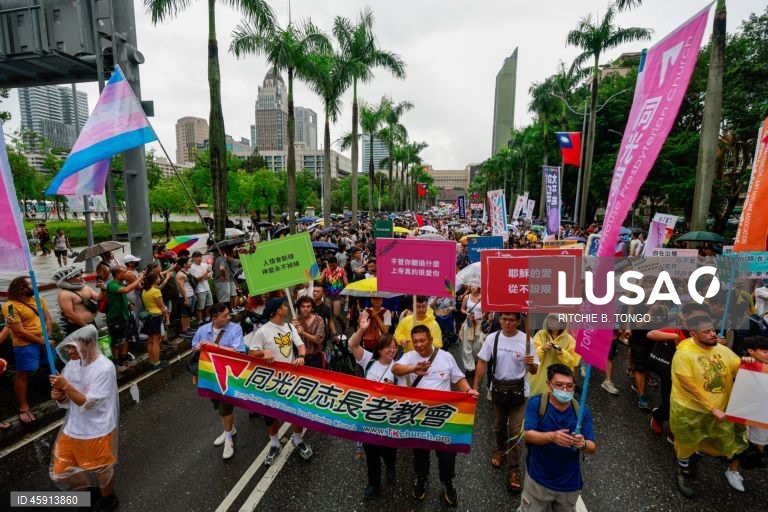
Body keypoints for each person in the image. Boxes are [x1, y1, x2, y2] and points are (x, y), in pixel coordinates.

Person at [392, 325, 479, 507]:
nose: (418, 345)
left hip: (443, 416)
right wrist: (412, 369)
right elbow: (395, 369)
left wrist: (469, 390)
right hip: (419, 416)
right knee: (420, 452)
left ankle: (447, 482)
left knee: (447, 454)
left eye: (422, 340)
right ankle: (421, 478)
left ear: (431, 339)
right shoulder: (409, 356)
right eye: (415, 341)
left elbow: (459, 379)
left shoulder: (446, 357)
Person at [670, 316, 749, 498]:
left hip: (719, 410)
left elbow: (737, 366)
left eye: (713, 330)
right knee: (685, 444)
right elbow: (688, 386)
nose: (713, 334)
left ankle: (696, 457)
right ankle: (683, 473)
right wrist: (711, 408)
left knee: (711, 439)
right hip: (690, 411)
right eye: (707, 332)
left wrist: (748, 363)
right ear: (693, 334)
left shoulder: (720, 349)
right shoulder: (684, 354)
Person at [50, 325, 119, 512]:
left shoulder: (104, 368)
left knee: (101, 468)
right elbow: (68, 399)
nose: (69, 351)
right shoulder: (72, 365)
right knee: (61, 473)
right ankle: (88, 492)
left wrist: (66, 387)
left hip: (97, 429)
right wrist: (61, 396)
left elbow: (88, 404)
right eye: (68, 347)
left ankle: (108, 497)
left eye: (74, 347)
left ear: (90, 344)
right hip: (73, 427)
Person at [472, 312, 539, 492]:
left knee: (516, 431)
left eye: (511, 320)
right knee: (499, 425)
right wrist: (476, 386)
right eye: (504, 319)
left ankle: (514, 467)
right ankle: (500, 449)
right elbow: (482, 362)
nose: (507, 323)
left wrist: (531, 363)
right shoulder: (493, 338)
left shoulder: (527, 341)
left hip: (519, 392)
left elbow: (534, 371)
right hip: (498, 390)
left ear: (518, 322)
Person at [245, 297, 313, 466]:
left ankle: (297, 440)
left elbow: (300, 346)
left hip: (290, 379)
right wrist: (263, 353)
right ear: (276, 311)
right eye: (283, 306)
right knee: (270, 416)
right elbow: (251, 354)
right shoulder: (262, 332)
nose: (286, 308)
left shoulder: (290, 326)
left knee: (297, 412)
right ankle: (275, 444)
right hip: (269, 382)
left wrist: (302, 356)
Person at [519, 364, 597, 512]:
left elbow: (592, 447)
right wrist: (552, 437)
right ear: (549, 385)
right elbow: (528, 435)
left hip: (569, 485)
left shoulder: (582, 411)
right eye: (559, 385)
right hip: (538, 480)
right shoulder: (537, 403)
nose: (565, 390)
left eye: (569, 386)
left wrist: (583, 443)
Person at [348, 311, 399, 499]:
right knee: (371, 454)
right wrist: (362, 330)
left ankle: (391, 466)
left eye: (394, 347)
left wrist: (394, 389)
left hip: (389, 420)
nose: (392, 350)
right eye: (388, 347)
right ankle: (374, 483)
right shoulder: (368, 360)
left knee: (389, 450)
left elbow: (408, 393)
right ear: (379, 349)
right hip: (368, 417)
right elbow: (352, 344)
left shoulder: (399, 367)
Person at [191, 303, 246, 460]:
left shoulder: (235, 328)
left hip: (227, 376)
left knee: (225, 407)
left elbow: (238, 351)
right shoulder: (203, 330)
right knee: (217, 405)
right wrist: (199, 347)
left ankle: (228, 439)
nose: (229, 317)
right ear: (214, 318)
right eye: (225, 316)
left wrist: (214, 346)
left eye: (229, 314)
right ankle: (229, 429)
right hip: (209, 375)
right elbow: (193, 346)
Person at [2, 277, 53, 423]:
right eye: (32, 284)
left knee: (52, 366)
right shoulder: (10, 306)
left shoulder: (39, 299)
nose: (36, 285)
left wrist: (48, 337)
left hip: (45, 341)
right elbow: (18, 331)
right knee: (23, 374)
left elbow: (48, 319)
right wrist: (42, 341)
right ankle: (23, 407)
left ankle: (61, 392)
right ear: (22, 288)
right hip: (25, 346)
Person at [529, 314, 579, 396]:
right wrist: (541, 348)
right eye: (550, 318)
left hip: (559, 378)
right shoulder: (540, 334)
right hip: (539, 377)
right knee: (538, 401)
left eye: (555, 319)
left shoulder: (570, 340)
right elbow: (531, 355)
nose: (551, 321)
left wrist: (562, 353)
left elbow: (573, 362)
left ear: (563, 323)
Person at [53, 266, 103, 337]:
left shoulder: (85, 287)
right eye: (77, 276)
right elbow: (69, 314)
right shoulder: (64, 294)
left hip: (91, 324)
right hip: (77, 327)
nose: (81, 277)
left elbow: (98, 298)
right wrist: (86, 326)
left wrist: (102, 289)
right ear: (68, 279)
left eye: (80, 274)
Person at [141, 272, 170, 369]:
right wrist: (166, 317)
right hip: (156, 317)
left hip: (148, 316)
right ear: (154, 280)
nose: (159, 279)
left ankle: (152, 361)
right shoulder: (156, 291)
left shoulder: (145, 291)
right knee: (156, 341)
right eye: (158, 277)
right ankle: (157, 362)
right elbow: (162, 307)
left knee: (150, 340)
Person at [293, 296, 326, 369]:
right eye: (303, 307)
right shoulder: (296, 322)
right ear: (299, 308)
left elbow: (317, 339)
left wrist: (303, 333)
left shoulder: (319, 320)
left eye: (308, 306)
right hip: (301, 358)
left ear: (312, 308)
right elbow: (293, 342)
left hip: (316, 358)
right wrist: (293, 328)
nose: (305, 309)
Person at [459, 283, 484, 379]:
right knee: (466, 346)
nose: (473, 287)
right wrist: (467, 313)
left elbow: (486, 311)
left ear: (479, 287)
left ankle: (476, 361)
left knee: (477, 346)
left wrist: (481, 317)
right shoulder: (466, 297)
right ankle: (470, 368)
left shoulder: (483, 298)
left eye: (475, 285)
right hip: (468, 323)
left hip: (479, 324)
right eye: (471, 285)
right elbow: (462, 309)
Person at [190, 251, 214, 324]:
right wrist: (206, 273)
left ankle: (207, 317)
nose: (199, 258)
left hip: (207, 287)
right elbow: (197, 279)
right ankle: (200, 321)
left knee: (210, 304)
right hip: (199, 289)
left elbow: (210, 274)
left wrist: (207, 275)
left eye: (200, 256)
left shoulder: (205, 265)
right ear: (193, 258)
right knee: (200, 307)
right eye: (197, 257)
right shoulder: (192, 267)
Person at [175, 257, 196, 336]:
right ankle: (184, 330)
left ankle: (188, 328)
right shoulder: (179, 274)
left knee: (189, 313)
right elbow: (181, 288)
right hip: (184, 296)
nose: (190, 263)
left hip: (190, 294)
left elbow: (190, 284)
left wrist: (193, 294)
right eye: (189, 262)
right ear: (184, 264)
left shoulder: (187, 271)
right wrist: (186, 299)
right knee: (184, 314)